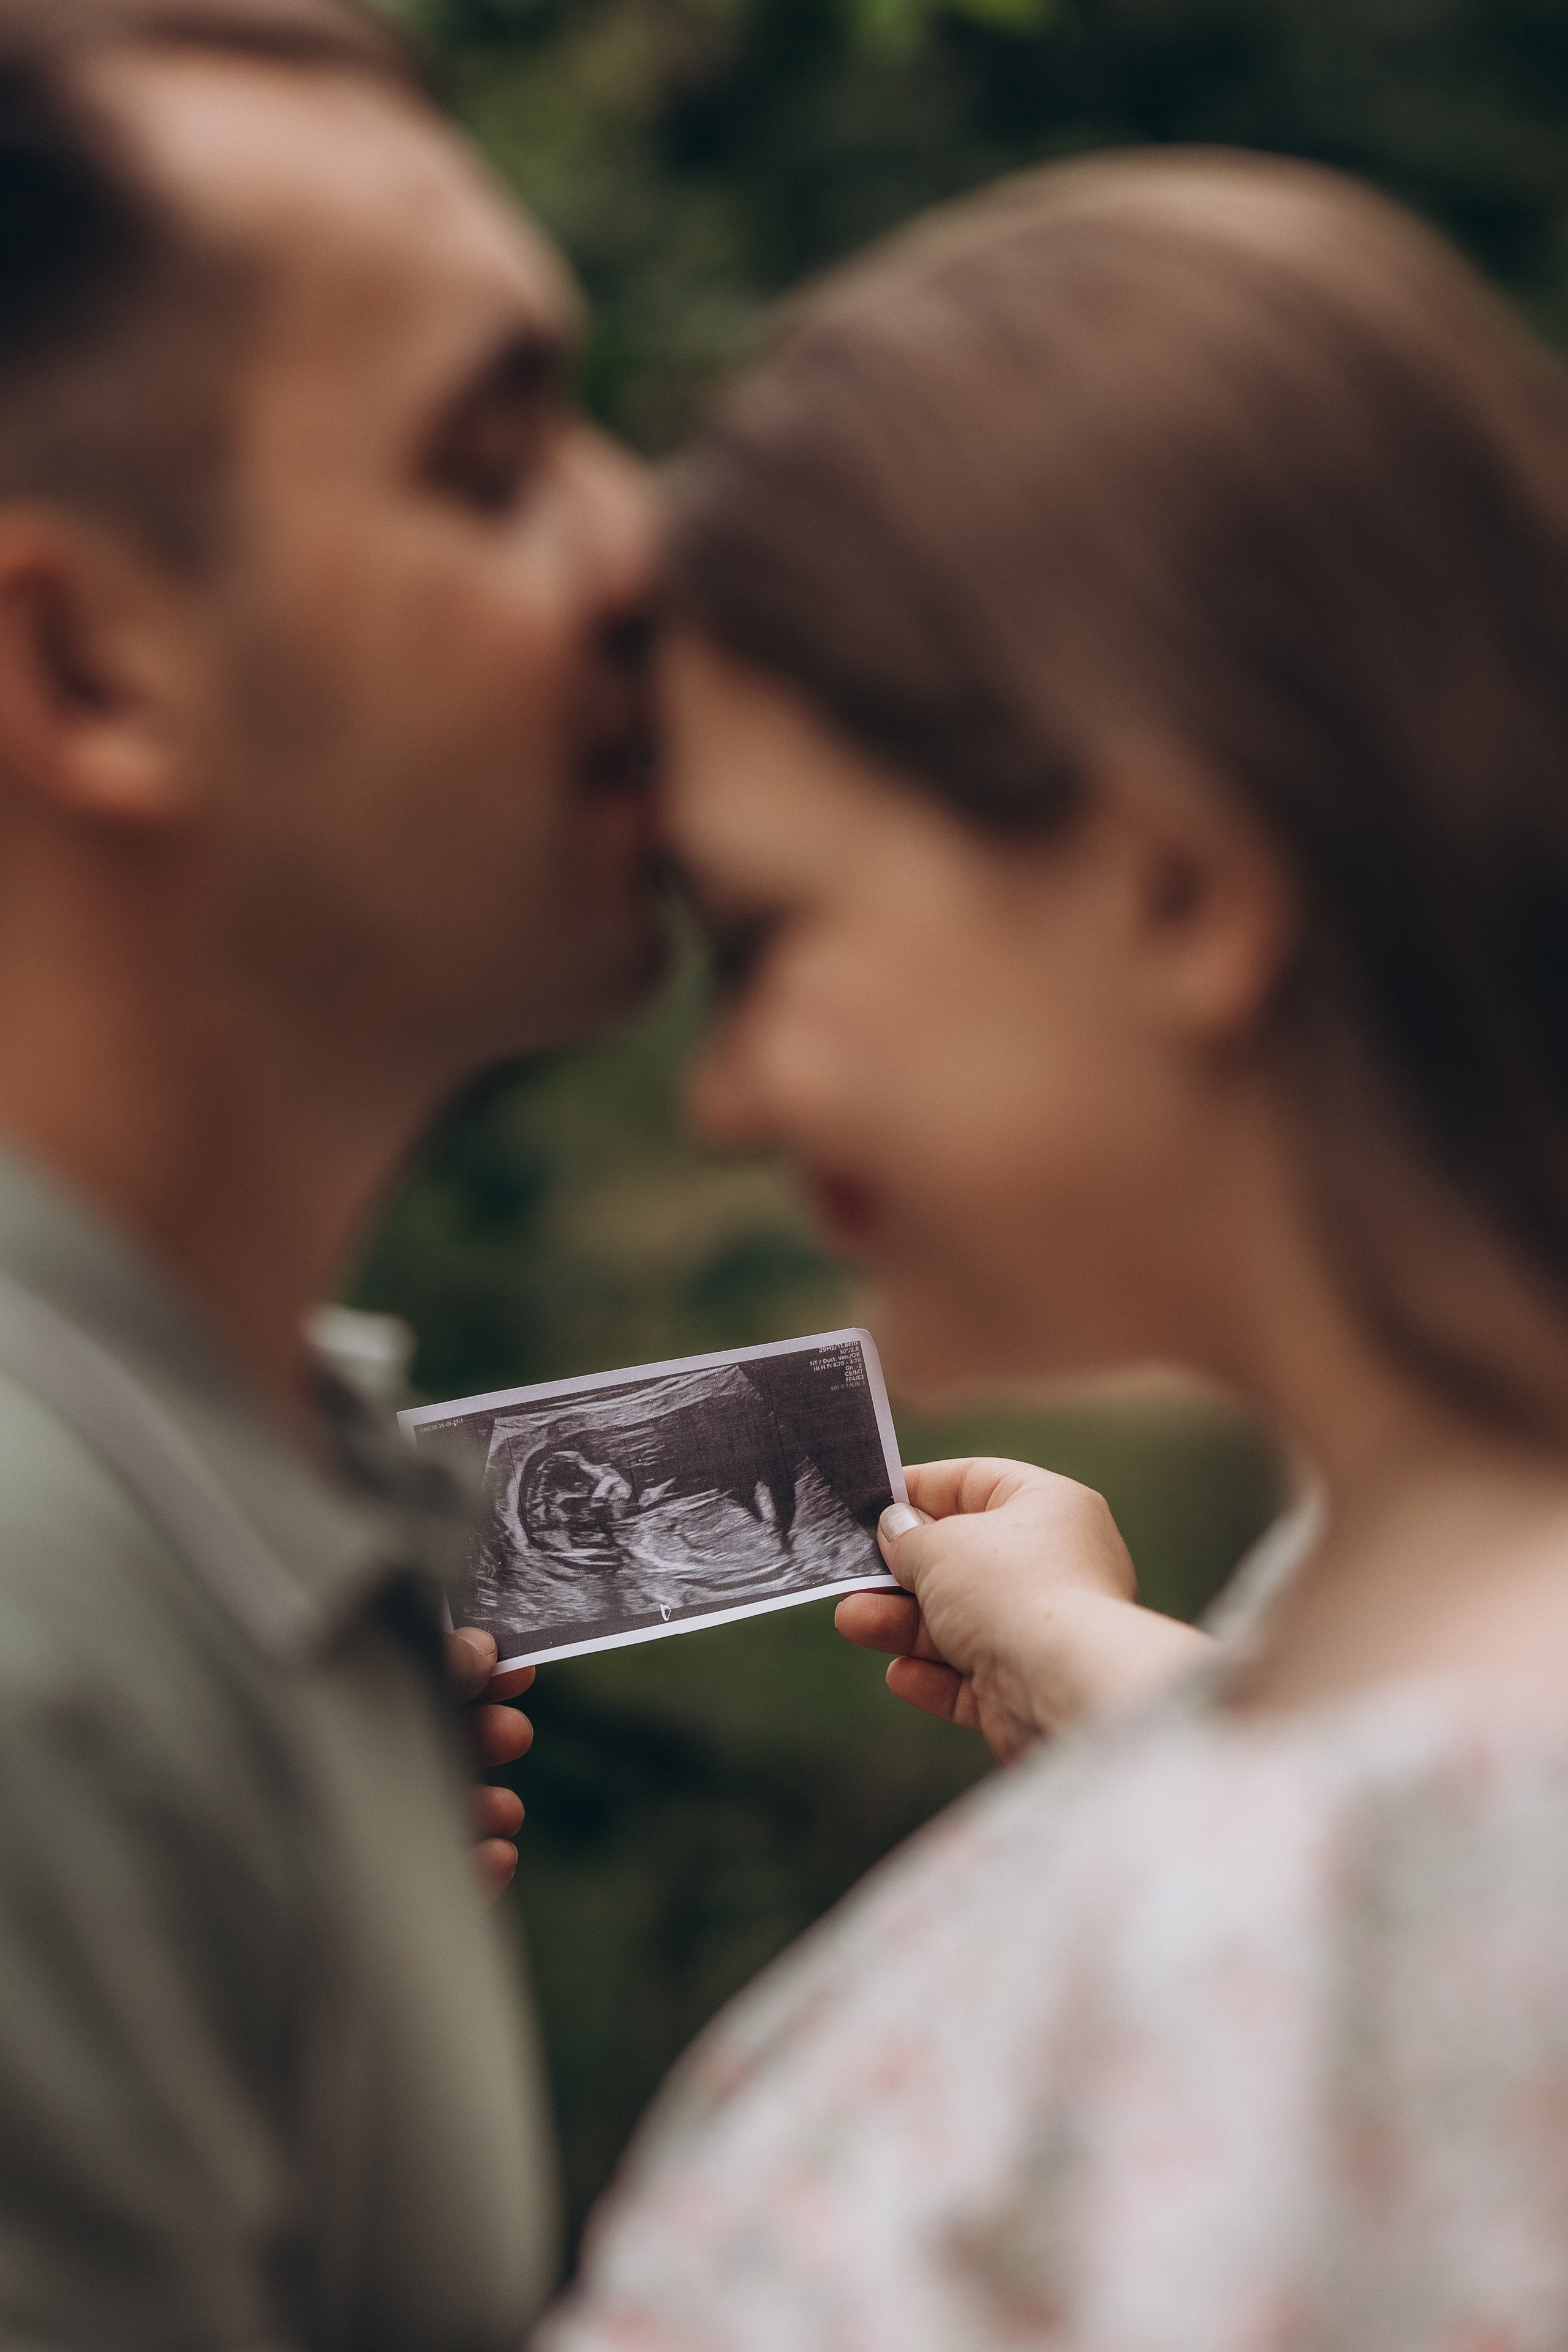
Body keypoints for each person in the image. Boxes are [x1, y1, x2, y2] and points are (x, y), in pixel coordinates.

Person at [540, 149, 1568, 2348]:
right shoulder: (1361, 1665)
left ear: (1174, 894)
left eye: (775, 935)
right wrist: (1111, 1678)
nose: (729, 1095)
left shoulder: (1480, 1857)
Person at [0, 1, 663, 2342]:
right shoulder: (30, 1650)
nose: (648, 550)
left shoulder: (221, 1506)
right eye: (493, 472)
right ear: (86, 664)